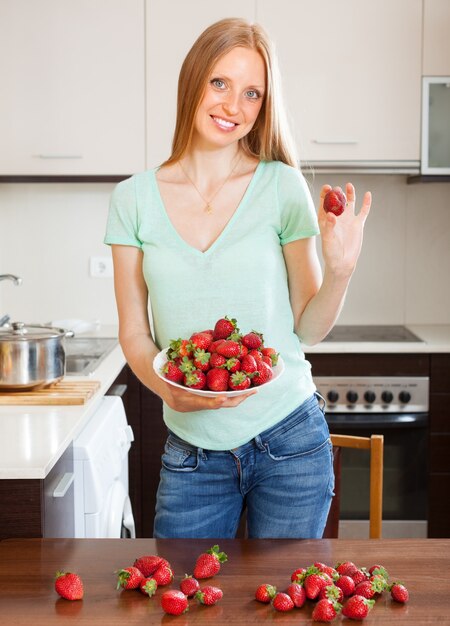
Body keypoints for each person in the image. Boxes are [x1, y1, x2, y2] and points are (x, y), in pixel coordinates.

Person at [104, 17, 371, 539]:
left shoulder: (281, 186)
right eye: (220, 83)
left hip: (291, 439)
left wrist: (341, 273)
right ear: (193, 81)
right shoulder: (132, 199)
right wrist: (166, 388)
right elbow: (134, 331)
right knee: (184, 606)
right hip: (192, 451)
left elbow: (308, 329)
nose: (233, 106)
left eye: (252, 93)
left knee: (284, 614)